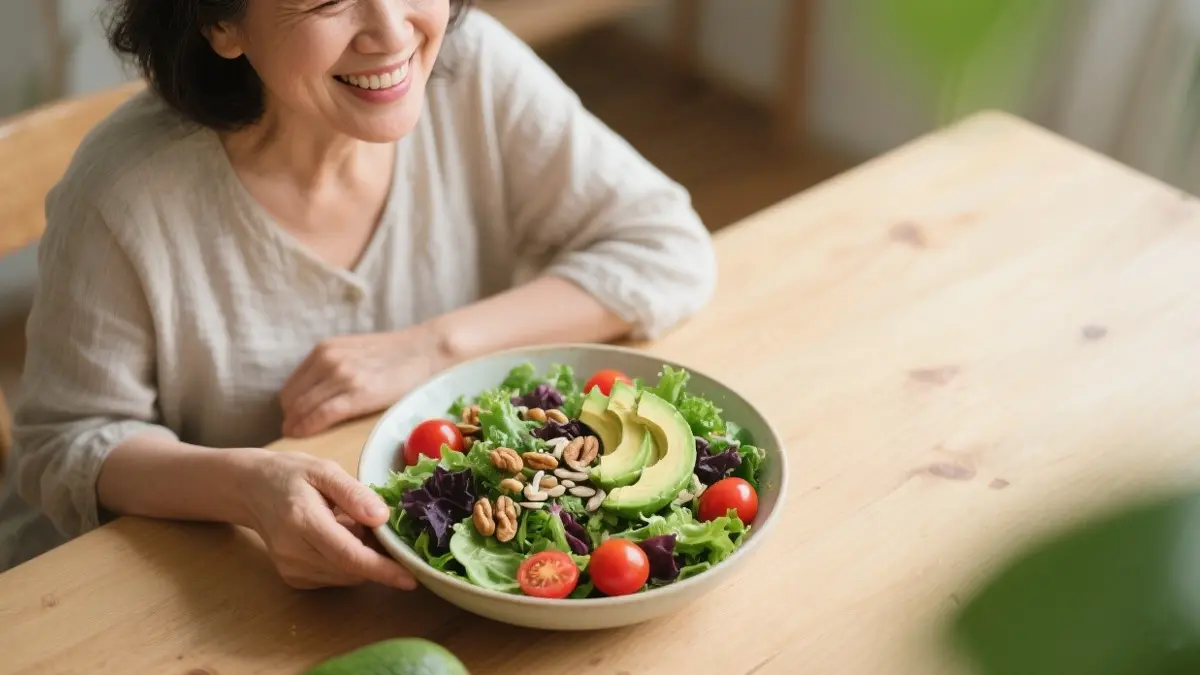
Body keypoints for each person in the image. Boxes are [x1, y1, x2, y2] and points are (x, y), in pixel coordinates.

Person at [0, 0, 716, 587]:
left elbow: (667, 244)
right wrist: (249, 486)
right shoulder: (125, 193)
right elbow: (63, 445)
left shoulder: (473, 72)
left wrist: (430, 346)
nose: (392, 30)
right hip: (173, 586)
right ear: (221, 22)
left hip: (416, 580)